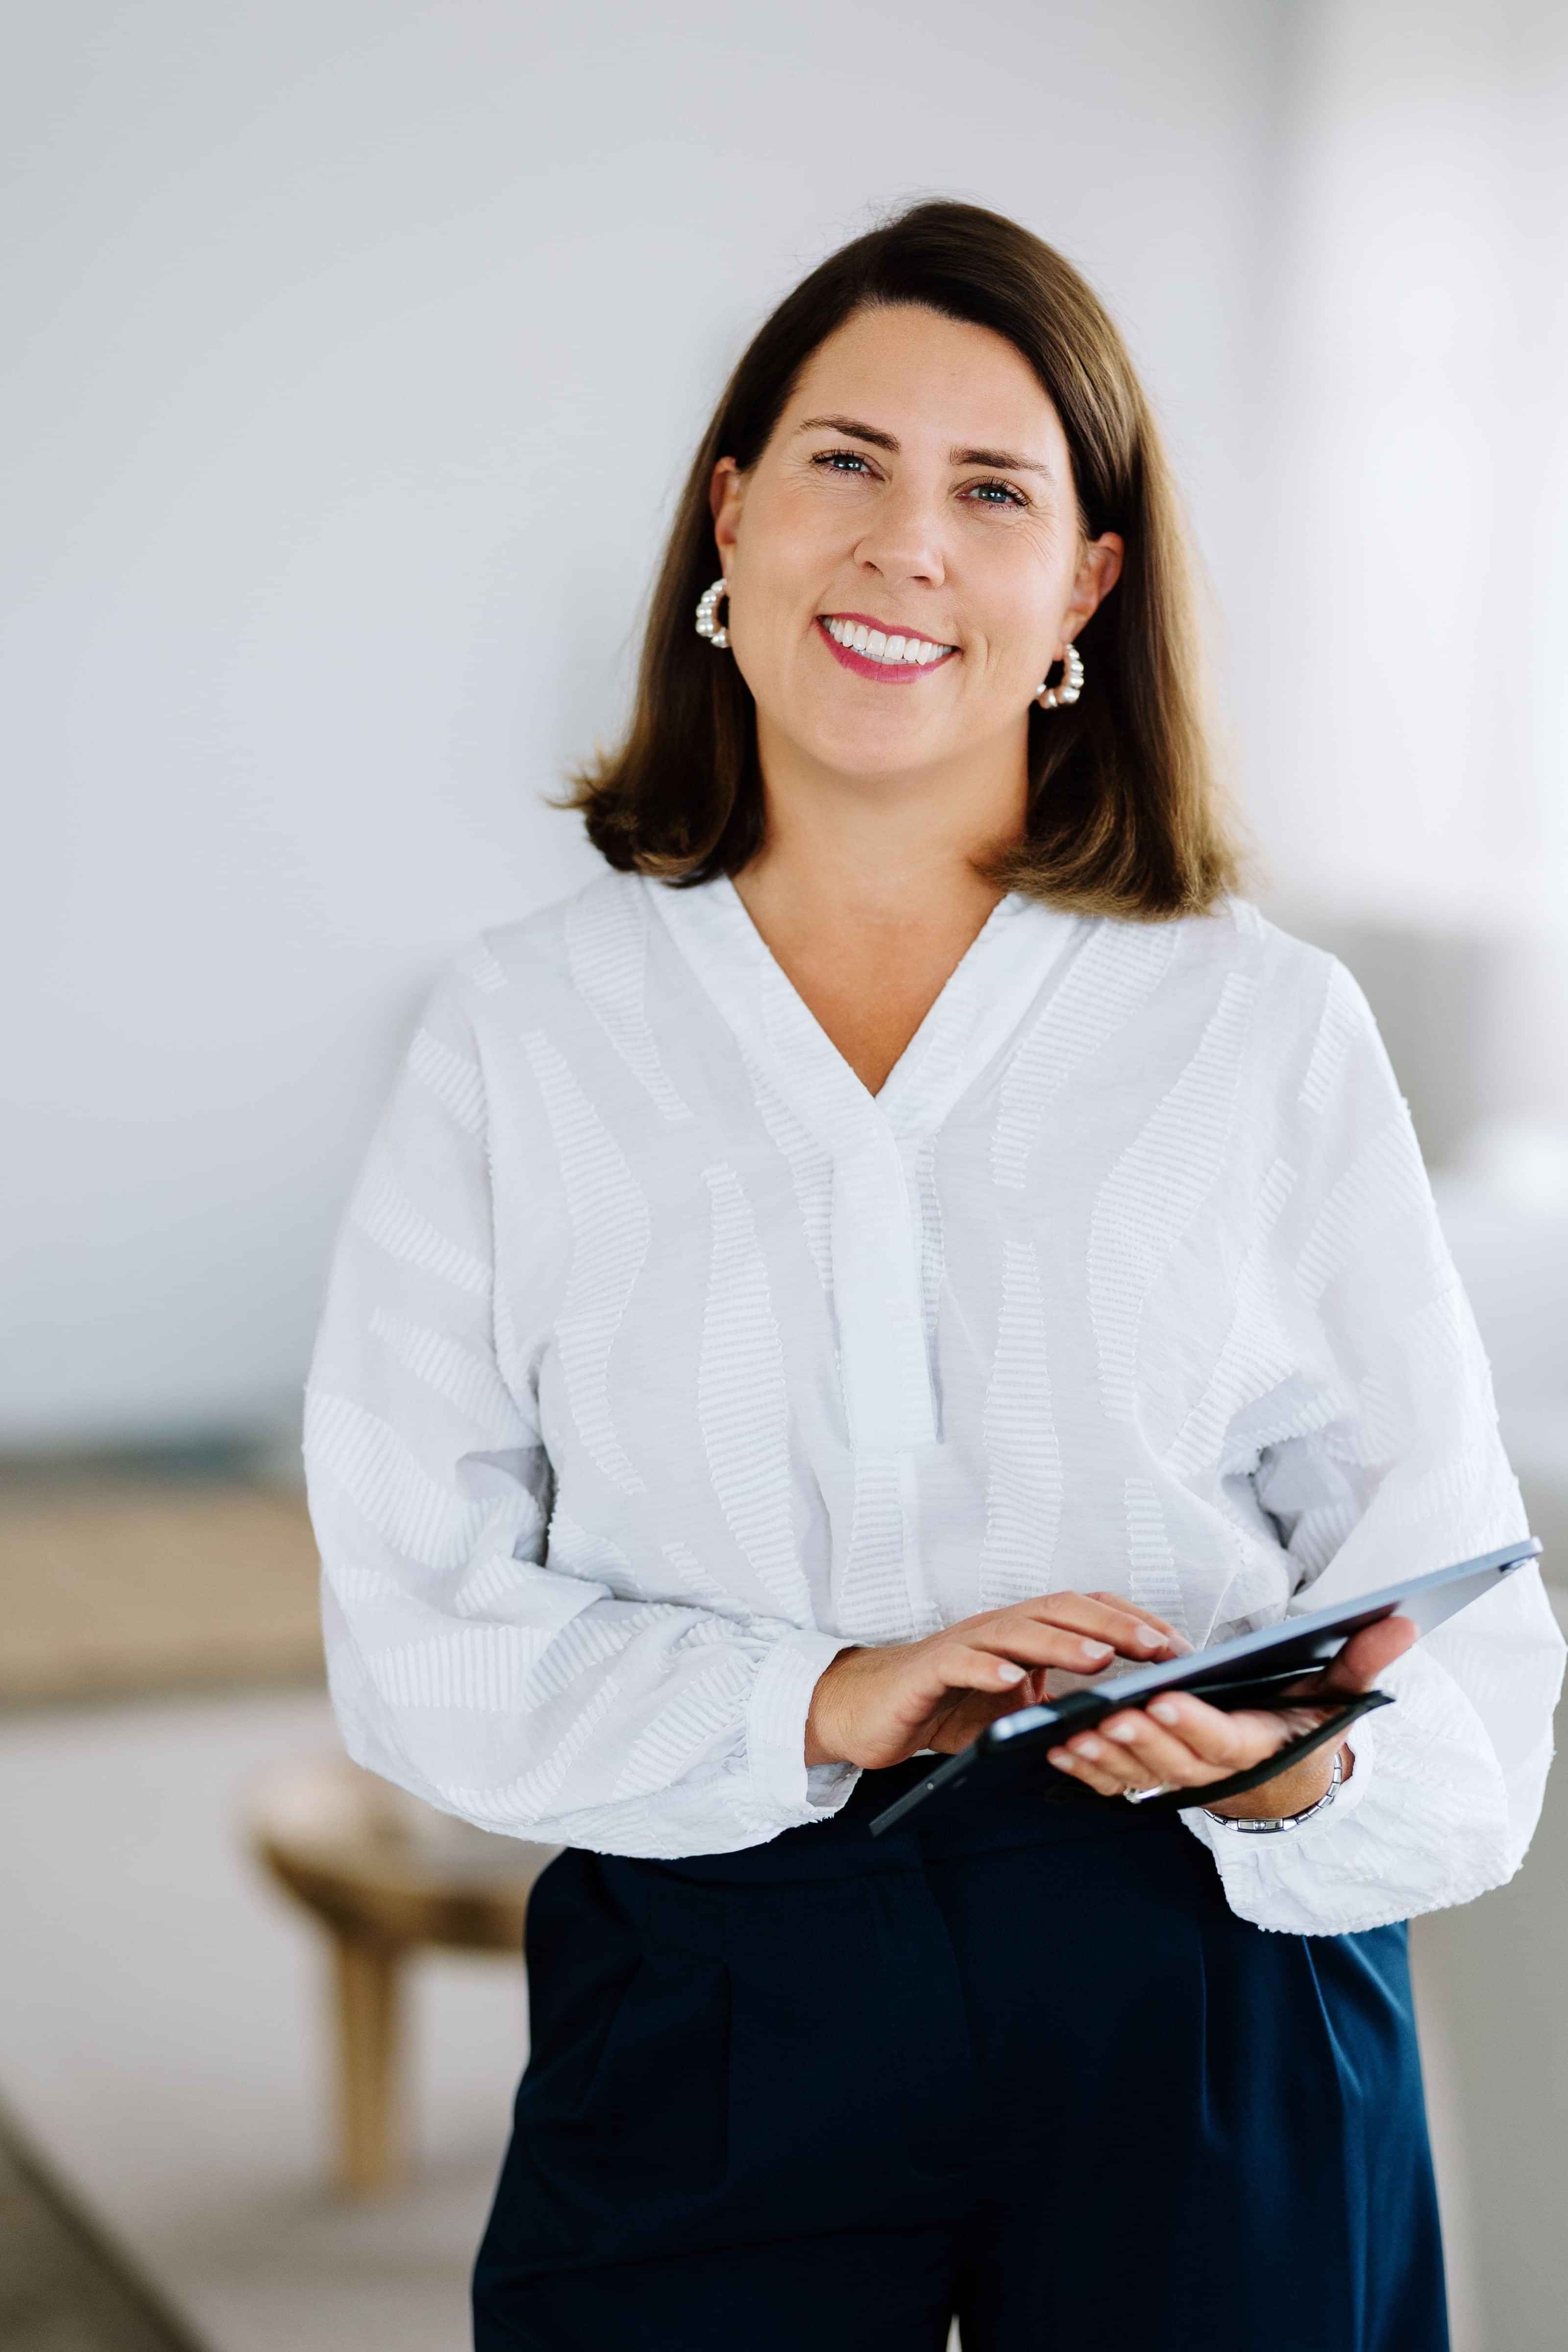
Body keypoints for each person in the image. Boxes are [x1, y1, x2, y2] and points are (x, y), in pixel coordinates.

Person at [302, 200, 1566, 2351]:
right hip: (710, 1986)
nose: (906, 545)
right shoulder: (523, 1033)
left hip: (1202, 1977)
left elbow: (1458, 1609)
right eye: (846, 461)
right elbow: (415, 1613)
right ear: (731, 513)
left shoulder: (1258, 1026)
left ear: (1084, 586)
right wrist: (817, 1698)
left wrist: (1299, 1771)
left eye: (993, 492)